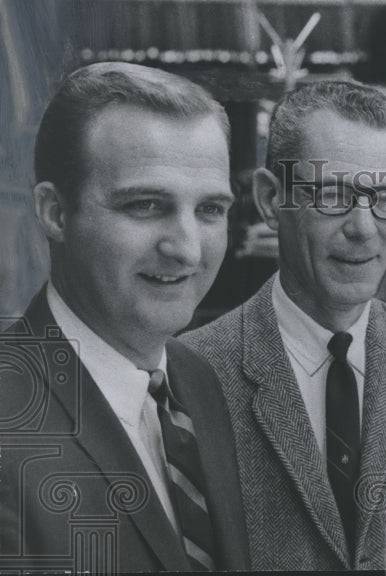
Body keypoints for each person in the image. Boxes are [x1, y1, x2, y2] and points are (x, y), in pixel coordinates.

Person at [181, 80, 386, 570]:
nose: (363, 227)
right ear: (272, 199)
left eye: (385, 196)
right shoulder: (191, 377)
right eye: (334, 194)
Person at [0, 62, 250, 572]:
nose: (186, 249)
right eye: (146, 205)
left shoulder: (205, 384)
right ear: (54, 213)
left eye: (210, 211)